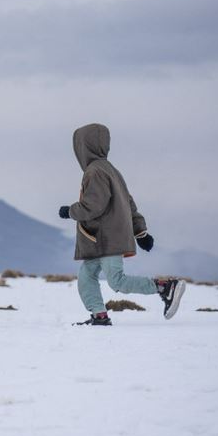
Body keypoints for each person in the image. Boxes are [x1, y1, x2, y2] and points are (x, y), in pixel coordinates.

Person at [59, 123, 185, 325]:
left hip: (107, 238)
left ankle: (164, 286)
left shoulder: (95, 172)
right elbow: (129, 204)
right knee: (86, 276)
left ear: (83, 146)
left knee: (117, 281)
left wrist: (70, 211)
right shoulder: (111, 170)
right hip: (99, 239)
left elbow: (93, 206)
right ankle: (99, 316)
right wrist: (141, 232)